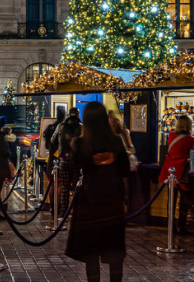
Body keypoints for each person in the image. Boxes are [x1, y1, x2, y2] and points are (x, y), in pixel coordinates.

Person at [65, 101, 129, 282]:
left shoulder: (79, 144)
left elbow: (77, 169)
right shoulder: (116, 141)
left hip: (89, 201)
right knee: (114, 249)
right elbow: (124, 170)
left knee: (91, 251)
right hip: (112, 200)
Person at [159, 115, 194, 235]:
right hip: (182, 173)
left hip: (169, 171)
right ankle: (182, 225)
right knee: (184, 201)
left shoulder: (171, 136)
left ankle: (171, 225)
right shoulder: (191, 140)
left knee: (171, 200)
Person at [54, 107, 82, 216]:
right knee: (76, 187)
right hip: (76, 160)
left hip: (64, 160)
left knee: (65, 188)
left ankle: (63, 212)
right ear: (78, 115)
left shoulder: (61, 126)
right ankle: (76, 211)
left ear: (69, 115)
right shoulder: (81, 127)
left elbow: (53, 140)